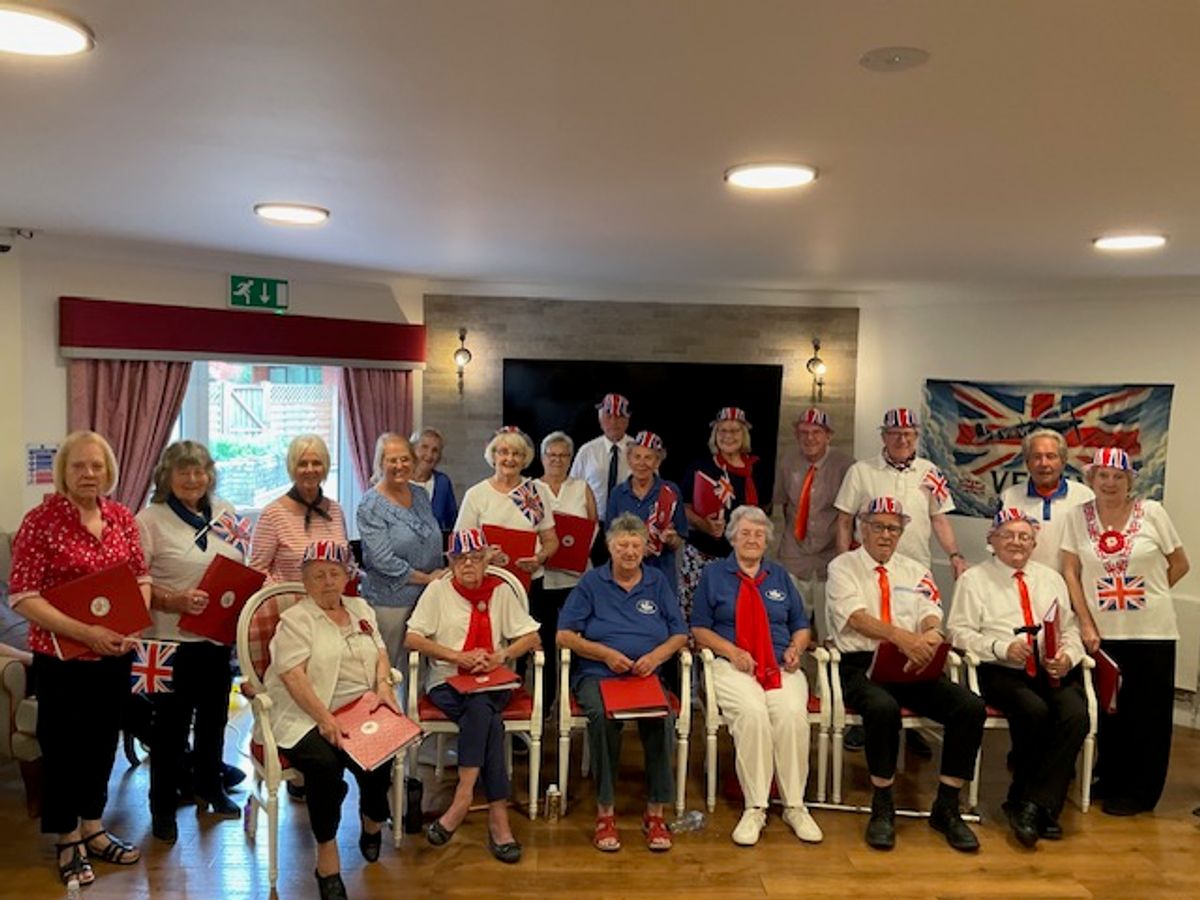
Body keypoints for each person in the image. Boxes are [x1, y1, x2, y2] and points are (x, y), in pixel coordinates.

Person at [8, 431, 151, 886]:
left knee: (102, 742)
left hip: (114, 654)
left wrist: (134, 624)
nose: (88, 473)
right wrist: (85, 632)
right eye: (78, 466)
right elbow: (23, 595)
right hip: (61, 657)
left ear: (109, 471)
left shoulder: (122, 517)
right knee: (63, 747)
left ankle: (93, 826)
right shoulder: (40, 521)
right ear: (63, 472)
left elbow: (141, 577)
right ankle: (68, 838)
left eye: (96, 465)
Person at [826, 497, 985, 852]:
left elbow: (931, 611)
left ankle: (947, 806)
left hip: (912, 661)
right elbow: (856, 618)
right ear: (862, 528)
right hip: (862, 663)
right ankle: (883, 805)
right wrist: (903, 638)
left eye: (894, 529)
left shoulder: (915, 570)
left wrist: (929, 635)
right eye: (879, 526)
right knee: (882, 708)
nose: (886, 535)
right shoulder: (842, 567)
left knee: (969, 707)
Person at [263, 540, 398, 900]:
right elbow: (293, 676)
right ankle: (327, 854)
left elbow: (381, 651)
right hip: (305, 713)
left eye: (335, 573)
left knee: (382, 748)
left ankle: (372, 818)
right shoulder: (296, 620)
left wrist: (384, 684)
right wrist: (324, 719)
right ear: (305, 580)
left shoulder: (360, 608)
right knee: (325, 764)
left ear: (347, 576)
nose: (327, 582)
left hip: (358, 707)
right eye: (318, 575)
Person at [946, 508, 1088, 847]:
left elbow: (1070, 629)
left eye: (1024, 536)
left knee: (1075, 714)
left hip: (1047, 666)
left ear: (1034, 543)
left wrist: (1068, 656)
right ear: (992, 540)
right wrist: (1000, 647)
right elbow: (958, 632)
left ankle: (1034, 805)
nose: (1017, 542)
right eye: (1008, 535)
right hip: (999, 669)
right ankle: (1032, 803)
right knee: (1033, 710)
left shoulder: (1051, 579)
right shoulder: (974, 580)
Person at [1061, 448, 1189, 816]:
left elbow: (1180, 563)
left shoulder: (1152, 512)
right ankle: (1111, 779)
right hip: (1102, 633)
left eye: (1119, 476)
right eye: (1103, 475)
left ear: (1130, 480)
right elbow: (1070, 571)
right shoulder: (1077, 517)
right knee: (1109, 713)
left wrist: (1151, 596)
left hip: (1152, 632)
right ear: (1091, 479)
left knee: (1147, 715)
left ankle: (1141, 791)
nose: (1110, 483)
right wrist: (1086, 621)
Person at [405, 529, 541, 863]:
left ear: (486, 561)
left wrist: (500, 656)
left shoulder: (501, 591)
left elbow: (532, 637)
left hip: (494, 678)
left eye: (476, 558)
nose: (468, 564)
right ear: (451, 562)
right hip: (447, 680)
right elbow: (413, 638)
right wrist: (457, 657)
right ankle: (497, 817)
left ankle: (462, 798)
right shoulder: (437, 591)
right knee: (485, 714)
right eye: (461, 558)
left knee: (481, 703)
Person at [691, 505, 823, 846]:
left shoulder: (779, 576)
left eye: (759, 534)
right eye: (745, 533)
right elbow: (700, 628)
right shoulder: (714, 575)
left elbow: (801, 625)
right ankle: (756, 807)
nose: (752, 539)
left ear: (767, 541)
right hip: (732, 663)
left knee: (791, 714)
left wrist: (795, 648)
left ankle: (795, 805)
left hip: (778, 663)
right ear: (733, 538)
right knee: (752, 714)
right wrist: (732, 651)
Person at [557, 514, 688, 853]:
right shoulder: (592, 582)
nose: (629, 552)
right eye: (622, 545)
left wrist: (655, 657)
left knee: (662, 718)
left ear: (645, 548)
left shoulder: (657, 581)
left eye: (635, 545)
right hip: (598, 674)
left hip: (646, 675)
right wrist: (604, 654)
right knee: (602, 718)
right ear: (609, 547)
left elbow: (679, 633)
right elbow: (564, 635)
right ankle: (605, 811)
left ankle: (655, 812)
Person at [136, 440, 244, 843]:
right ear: (166, 476)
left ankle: (210, 787)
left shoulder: (227, 512)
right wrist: (174, 599)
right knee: (170, 730)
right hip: (167, 642)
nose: (193, 479)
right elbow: (135, 581)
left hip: (215, 638)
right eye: (183, 471)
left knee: (215, 720)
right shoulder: (148, 520)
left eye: (200, 471)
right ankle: (162, 807)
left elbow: (241, 564)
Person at [834, 408, 968, 577]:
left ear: (916, 436)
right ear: (884, 437)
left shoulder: (930, 471)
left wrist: (954, 555)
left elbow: (939, 519)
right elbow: (844, 521)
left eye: (907, 434)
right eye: (895, 433)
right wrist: (844, 562)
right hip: (869, 568)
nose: (902, 440)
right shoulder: (860, 471)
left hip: (916, 568)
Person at [454, 426, 559, 628]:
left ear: (525, 459)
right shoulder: (476, 494)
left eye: (517, 454)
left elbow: (551, 540)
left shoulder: (536, 492)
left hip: (530, 583)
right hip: (487, 580)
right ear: (493, 456)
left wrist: (540, 558)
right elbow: (460, 544)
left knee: (529, 638)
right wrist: (485, 555)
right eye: (503, 452)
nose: (510, 459)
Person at [357, 433, 446, 666]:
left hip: (427, 598)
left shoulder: (420, 495)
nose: (400, 465)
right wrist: (427, 578)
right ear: (380, 463)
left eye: (405, 459)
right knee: (387, 668)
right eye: (392, 460)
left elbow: (431, 539)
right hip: (390, 603)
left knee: (419, 669)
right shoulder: (370, 505)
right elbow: (382, 560)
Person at [773, 408, 853, 638]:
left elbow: (851, 515)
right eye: (804, 432)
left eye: (816, 432)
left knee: (830, 626)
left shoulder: (846, 466)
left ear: (828, 435)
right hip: (794, 554)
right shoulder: (788, 461)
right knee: (790, 624)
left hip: (829, 557)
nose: (810, 438)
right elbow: (782, 505)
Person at [535, 430, 597, 716]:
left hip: (577, 577)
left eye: (563, 455)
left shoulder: (582, 487)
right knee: (546, 642)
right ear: (542, 457)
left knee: (579, 639)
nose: (557, 460)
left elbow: (593, 525)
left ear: (571, 459)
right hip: (544, 578)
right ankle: (546, 702)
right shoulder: (532, 488)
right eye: (552, 455)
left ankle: (577, 700)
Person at [680, 407, 761, 624]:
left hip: (739, 557)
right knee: (694, 612)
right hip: (701, 555)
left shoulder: (756, 470)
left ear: (744, 435)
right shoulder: (700, 467)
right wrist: (704, 525)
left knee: (733, 614)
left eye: (734, 431)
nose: (728, 436)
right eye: (722, 431)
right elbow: (684, 507)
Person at [250, 434, 347, 584]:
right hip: (287, 597)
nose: (310, 469)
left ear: (326, 466)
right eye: (302, 464)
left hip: (331, 597)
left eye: (316, 463)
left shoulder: (336, 510)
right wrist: (285, 595)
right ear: (292, 467)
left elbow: (345, 562)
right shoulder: (272, 515)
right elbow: (257, 571)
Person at [999, 429, 1094, 572]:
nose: (1043, 463)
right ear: (1027, 462)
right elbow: (998, 549)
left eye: (1051, 456)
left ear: (1063, 461)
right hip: (1022, 581)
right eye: (1036, 457)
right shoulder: (1009, 497)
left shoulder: (1085, 496)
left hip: (1071, 582)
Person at [606, 431, 687, 595]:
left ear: (657, 461)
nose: (641, 463)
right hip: (625, 577)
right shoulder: (617, 494)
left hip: (661, 577)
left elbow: (679, 540)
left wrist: (670, 539)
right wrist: (636, 551)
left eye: (648, 457)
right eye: (637, 457)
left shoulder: (670, 491)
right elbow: (609, 539)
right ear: (629, 459)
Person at [569, 392, 634, 526]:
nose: (613, 422)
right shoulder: (587, 451)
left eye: (619, 417)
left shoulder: (639, 451)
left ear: (627, 420)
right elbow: (573, 489)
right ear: (600, 420)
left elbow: (653, 488)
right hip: (593, 523)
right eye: (608, 416)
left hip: (629, 525)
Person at [410, 426, 459, 533]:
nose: (429, 455)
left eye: (435, 450)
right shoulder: (398, 481)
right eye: (424, 447)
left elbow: (452, 523)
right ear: (413, 449)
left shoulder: (443, 483)